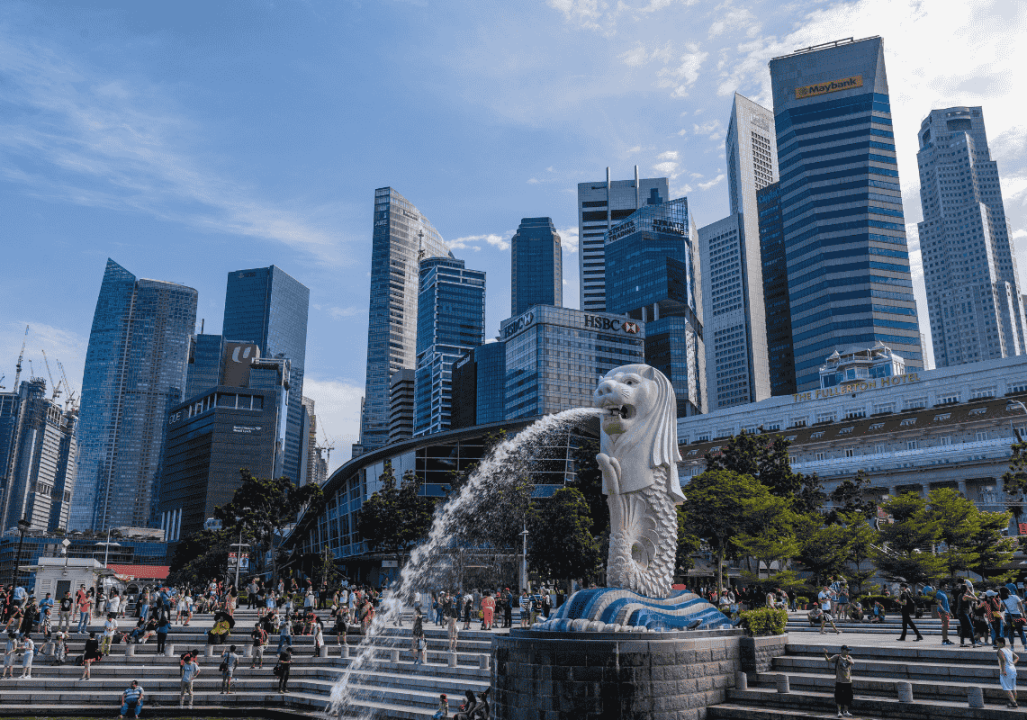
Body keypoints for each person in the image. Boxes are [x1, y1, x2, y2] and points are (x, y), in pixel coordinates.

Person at [824, 645, 855, 718]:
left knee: (848, 697)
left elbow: (852, 663)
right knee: (838, 697)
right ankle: (839, 711)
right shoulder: (837, 657)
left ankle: (846, 711)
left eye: (848, 650)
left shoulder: (849, 657)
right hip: (839, 681)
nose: (848, 652)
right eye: (846, 650)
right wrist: (825, 654)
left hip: (848, 681)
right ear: (842, 650)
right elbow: (828, 660)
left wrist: (847, 660)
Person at [997, 637, 1020, 709]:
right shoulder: (1008, 650)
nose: (996, 644)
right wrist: (1012, 663)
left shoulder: (1000, 650)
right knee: (1013, 687)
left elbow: (1003, 660)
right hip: (1013, 669)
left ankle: (1013, 703)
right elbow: (1017, 657)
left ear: (1002, 643)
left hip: (1006, 669)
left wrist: (1003, 670)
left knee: (1006, 688)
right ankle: (1013, 701)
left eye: (997, 643)